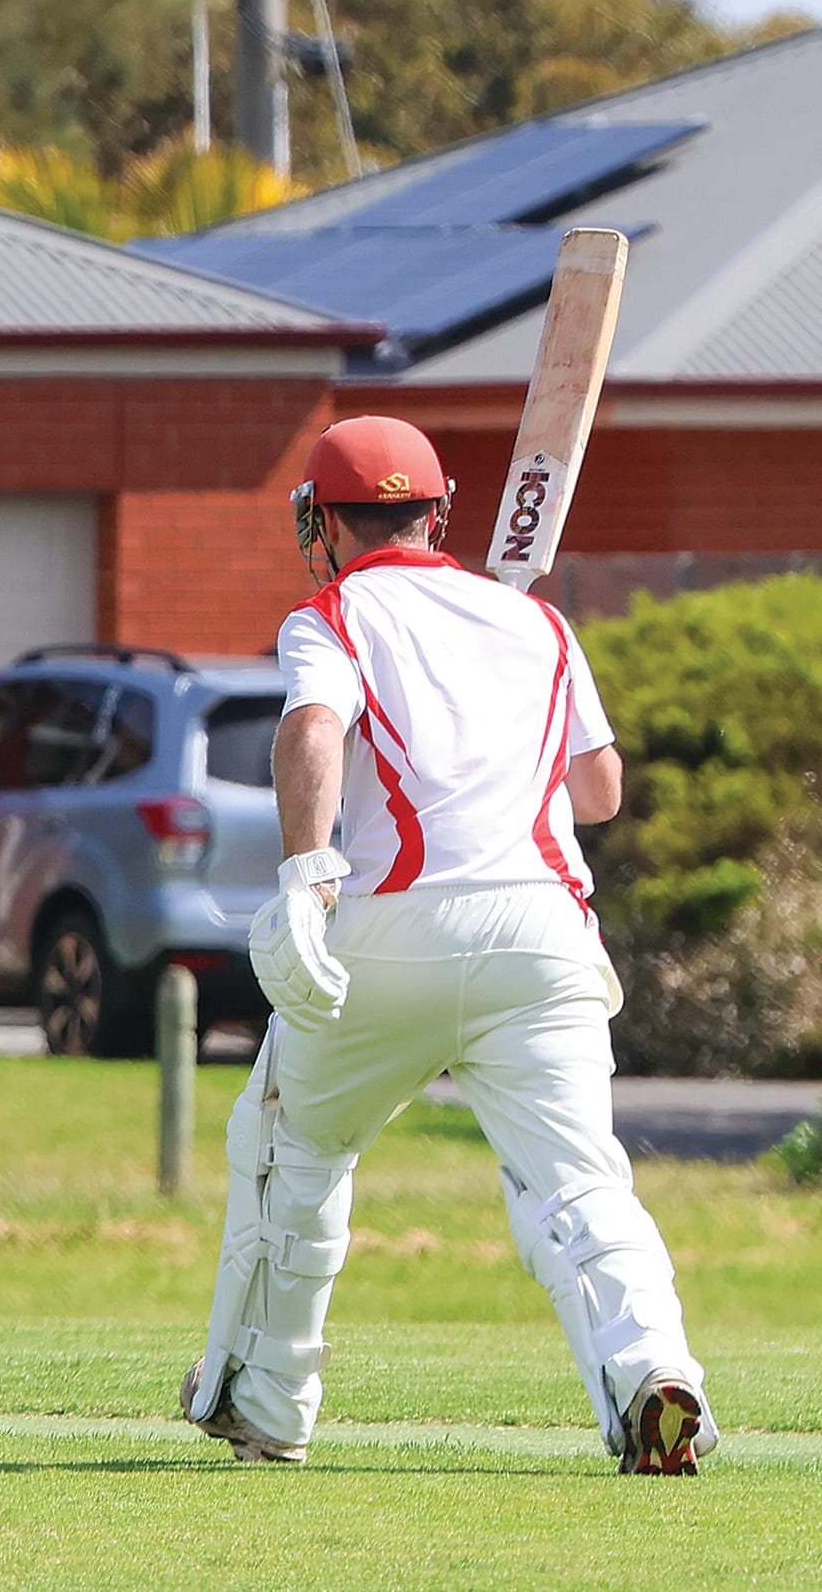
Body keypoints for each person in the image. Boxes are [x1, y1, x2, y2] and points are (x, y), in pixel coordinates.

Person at [179, 414, 715, 1475]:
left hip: (398, 924)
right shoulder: (540, 627)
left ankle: (269, 1403)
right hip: (542, 935)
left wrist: (301, 871)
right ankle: (655, 1374)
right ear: (438, 511)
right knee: (576, 1182)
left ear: (320, 521)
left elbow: (312, 727)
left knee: (289, 1145)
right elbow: (597, 789)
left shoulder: (330, 611)